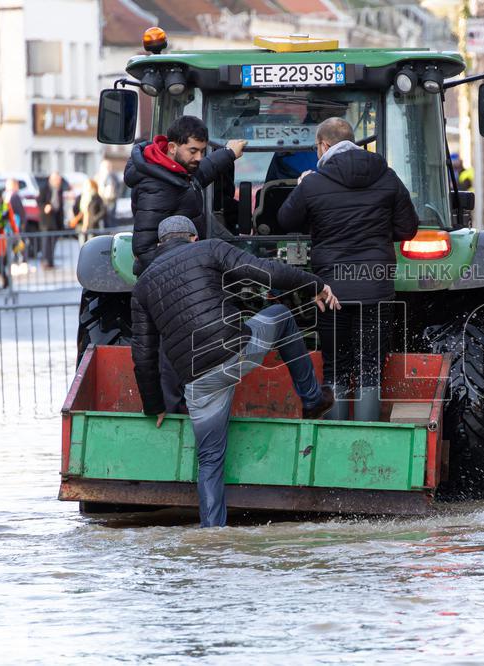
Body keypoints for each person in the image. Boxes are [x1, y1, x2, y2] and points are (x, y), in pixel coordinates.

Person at [130, 216, 339, 527]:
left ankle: (212, 535)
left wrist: (154, 404)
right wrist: (316, 284)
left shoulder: (143, 285)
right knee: (281, 315)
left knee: (210, 461)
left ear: (161, 243)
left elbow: (144, 353)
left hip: (197, 379)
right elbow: (267, 272)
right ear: (192, 237)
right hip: (234, 352)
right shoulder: (209, 249)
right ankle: (311, 399)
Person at [278, 117, 420, 421]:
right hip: (376, 287)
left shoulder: (314, 182)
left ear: (323, 145)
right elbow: (408, 228)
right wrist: (378, 234)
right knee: (370, 366)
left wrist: (303, 189)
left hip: (332, 290)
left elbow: (285, 221)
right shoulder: (387, 176)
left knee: (335, 365)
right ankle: (366, 440)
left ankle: (336, 442)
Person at [124, 115, 245, 276]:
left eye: (202, 151)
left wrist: (228, 153)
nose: (199, 158)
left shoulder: (175, 170)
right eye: (193, 151)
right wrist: (191, 273)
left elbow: (201, 173)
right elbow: (144, 250)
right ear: (172, 147)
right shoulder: (156, 187)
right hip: (175, 278)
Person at [37, 172, 67, 268]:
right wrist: (45, 207)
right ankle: (45, 261)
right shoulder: (44, 189)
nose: (58, 182)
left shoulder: (60, 190)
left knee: (53, 242)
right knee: (46, 242)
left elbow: (61, 207)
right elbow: (39, 202)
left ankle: (50, 262)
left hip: (56, 220)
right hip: (46, 220)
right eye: (56, 180)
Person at [70, 179, 106, 244]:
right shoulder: (80, 197)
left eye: (88, 185)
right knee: (82, 245)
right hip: (81, 226)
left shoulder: (96, 197)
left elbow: (103, 211)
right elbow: (75, 208)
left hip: (92, 227)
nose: (86, 187)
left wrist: (94, 219)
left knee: (92, 246)